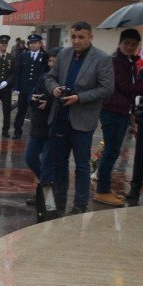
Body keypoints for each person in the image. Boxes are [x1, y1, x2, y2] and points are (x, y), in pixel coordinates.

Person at [42, 21, 115, 213]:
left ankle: (79, 206)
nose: (76, 41)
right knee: (58, 164)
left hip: (82, 120)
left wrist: (80, 98)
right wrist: (54, 89)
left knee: (82, 166)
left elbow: (107, 88)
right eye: (74, 36)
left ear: (90, 37)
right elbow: (49, 77)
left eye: (81, 37)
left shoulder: (102, 58)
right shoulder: (64, 54)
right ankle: (58, 204)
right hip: (60, 117)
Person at [93, 29, 143, 205]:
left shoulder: (129, 62)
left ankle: (105, 187)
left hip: (121, 111)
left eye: (134, 44)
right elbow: (127, 88)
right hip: (112, 111)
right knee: (111, 151)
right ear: (120, 43)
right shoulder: (116, 63)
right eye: (127, 43)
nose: (130, 47)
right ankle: (102, 190)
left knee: (112, 151)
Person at [24, 50, 58, 199]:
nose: (51, 64)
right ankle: (47, 188)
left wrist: (48, 104)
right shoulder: (44, 77)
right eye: (50, 61)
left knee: (46, 165)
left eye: (54, 61)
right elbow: (31, 95)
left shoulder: (63, 79)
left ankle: (47, 200)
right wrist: (34, 99)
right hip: (37, 126)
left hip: (51, 129)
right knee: (30, 158)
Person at [11, 33, 48, 139]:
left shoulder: (44, 56)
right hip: (24, 88)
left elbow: (45, 73)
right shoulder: (23, 55)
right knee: (21, 111)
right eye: (31, 43)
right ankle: (17, 131)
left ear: (40, 44)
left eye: (35, 43)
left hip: (37, 90)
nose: (33, 45)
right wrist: (16, 87)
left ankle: (35, 132)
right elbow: (18, 72)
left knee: (36, 112)